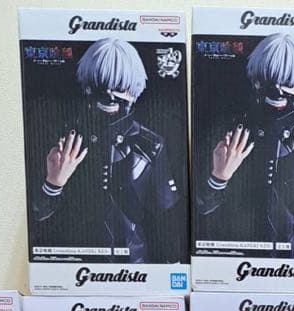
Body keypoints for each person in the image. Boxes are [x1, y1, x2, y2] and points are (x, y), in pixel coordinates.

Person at [30, 38, 185, 263]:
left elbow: (167, 217)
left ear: (133, 91)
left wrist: (173, 267)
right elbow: (35, 217)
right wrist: (53, 184)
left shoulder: (151, 144)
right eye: (101, 84)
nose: (110, 96)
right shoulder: (63, 140)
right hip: (75, 266)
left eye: (120, 88)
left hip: (134, 266)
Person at [194, 33, 294, 259]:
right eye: (269, 80)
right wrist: (219, 177)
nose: (277, 91)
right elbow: (200, 210)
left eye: (288, 83)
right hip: (235, 257)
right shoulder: (230, 131)